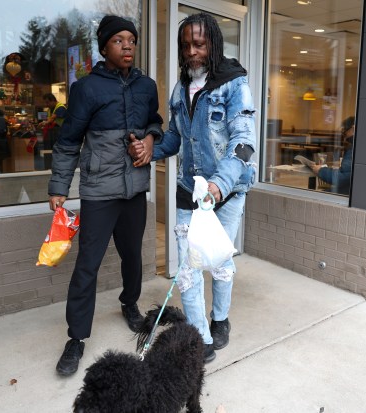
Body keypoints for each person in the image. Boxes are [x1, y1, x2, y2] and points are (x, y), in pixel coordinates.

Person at [129, 13, 257, 364]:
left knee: (218, 262)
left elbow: (244, 143)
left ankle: (220, 319)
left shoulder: (234, 84)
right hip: (189, 190)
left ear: (213, 44)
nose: (192, 51)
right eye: (186, 45)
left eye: (199, 44)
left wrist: (218, 185)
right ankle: (198, 336)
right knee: (187, 269)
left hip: (226, 192)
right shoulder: (179, 88)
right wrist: (150, 148)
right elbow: (174, 137)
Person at [48, 15, 163, 377]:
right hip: (99, 191)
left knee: (133, 256)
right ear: (103, 47)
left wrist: (150, 140)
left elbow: (156, 122)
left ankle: (130, 303)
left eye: (132, 39)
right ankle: (77, 337)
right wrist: (58, 188)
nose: (127, 45)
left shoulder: (147, 86)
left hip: (135, 190)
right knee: (88, 265)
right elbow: (68, 142)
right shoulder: (86, 89)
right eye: (118, 40)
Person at [311, 116, 354, 195]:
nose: (344, 134)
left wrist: (320, 170)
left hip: (347, 193)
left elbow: (342, 178)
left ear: (353, 129)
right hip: (350, 191)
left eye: (345, 130)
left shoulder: (353, 147)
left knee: (316, 195)